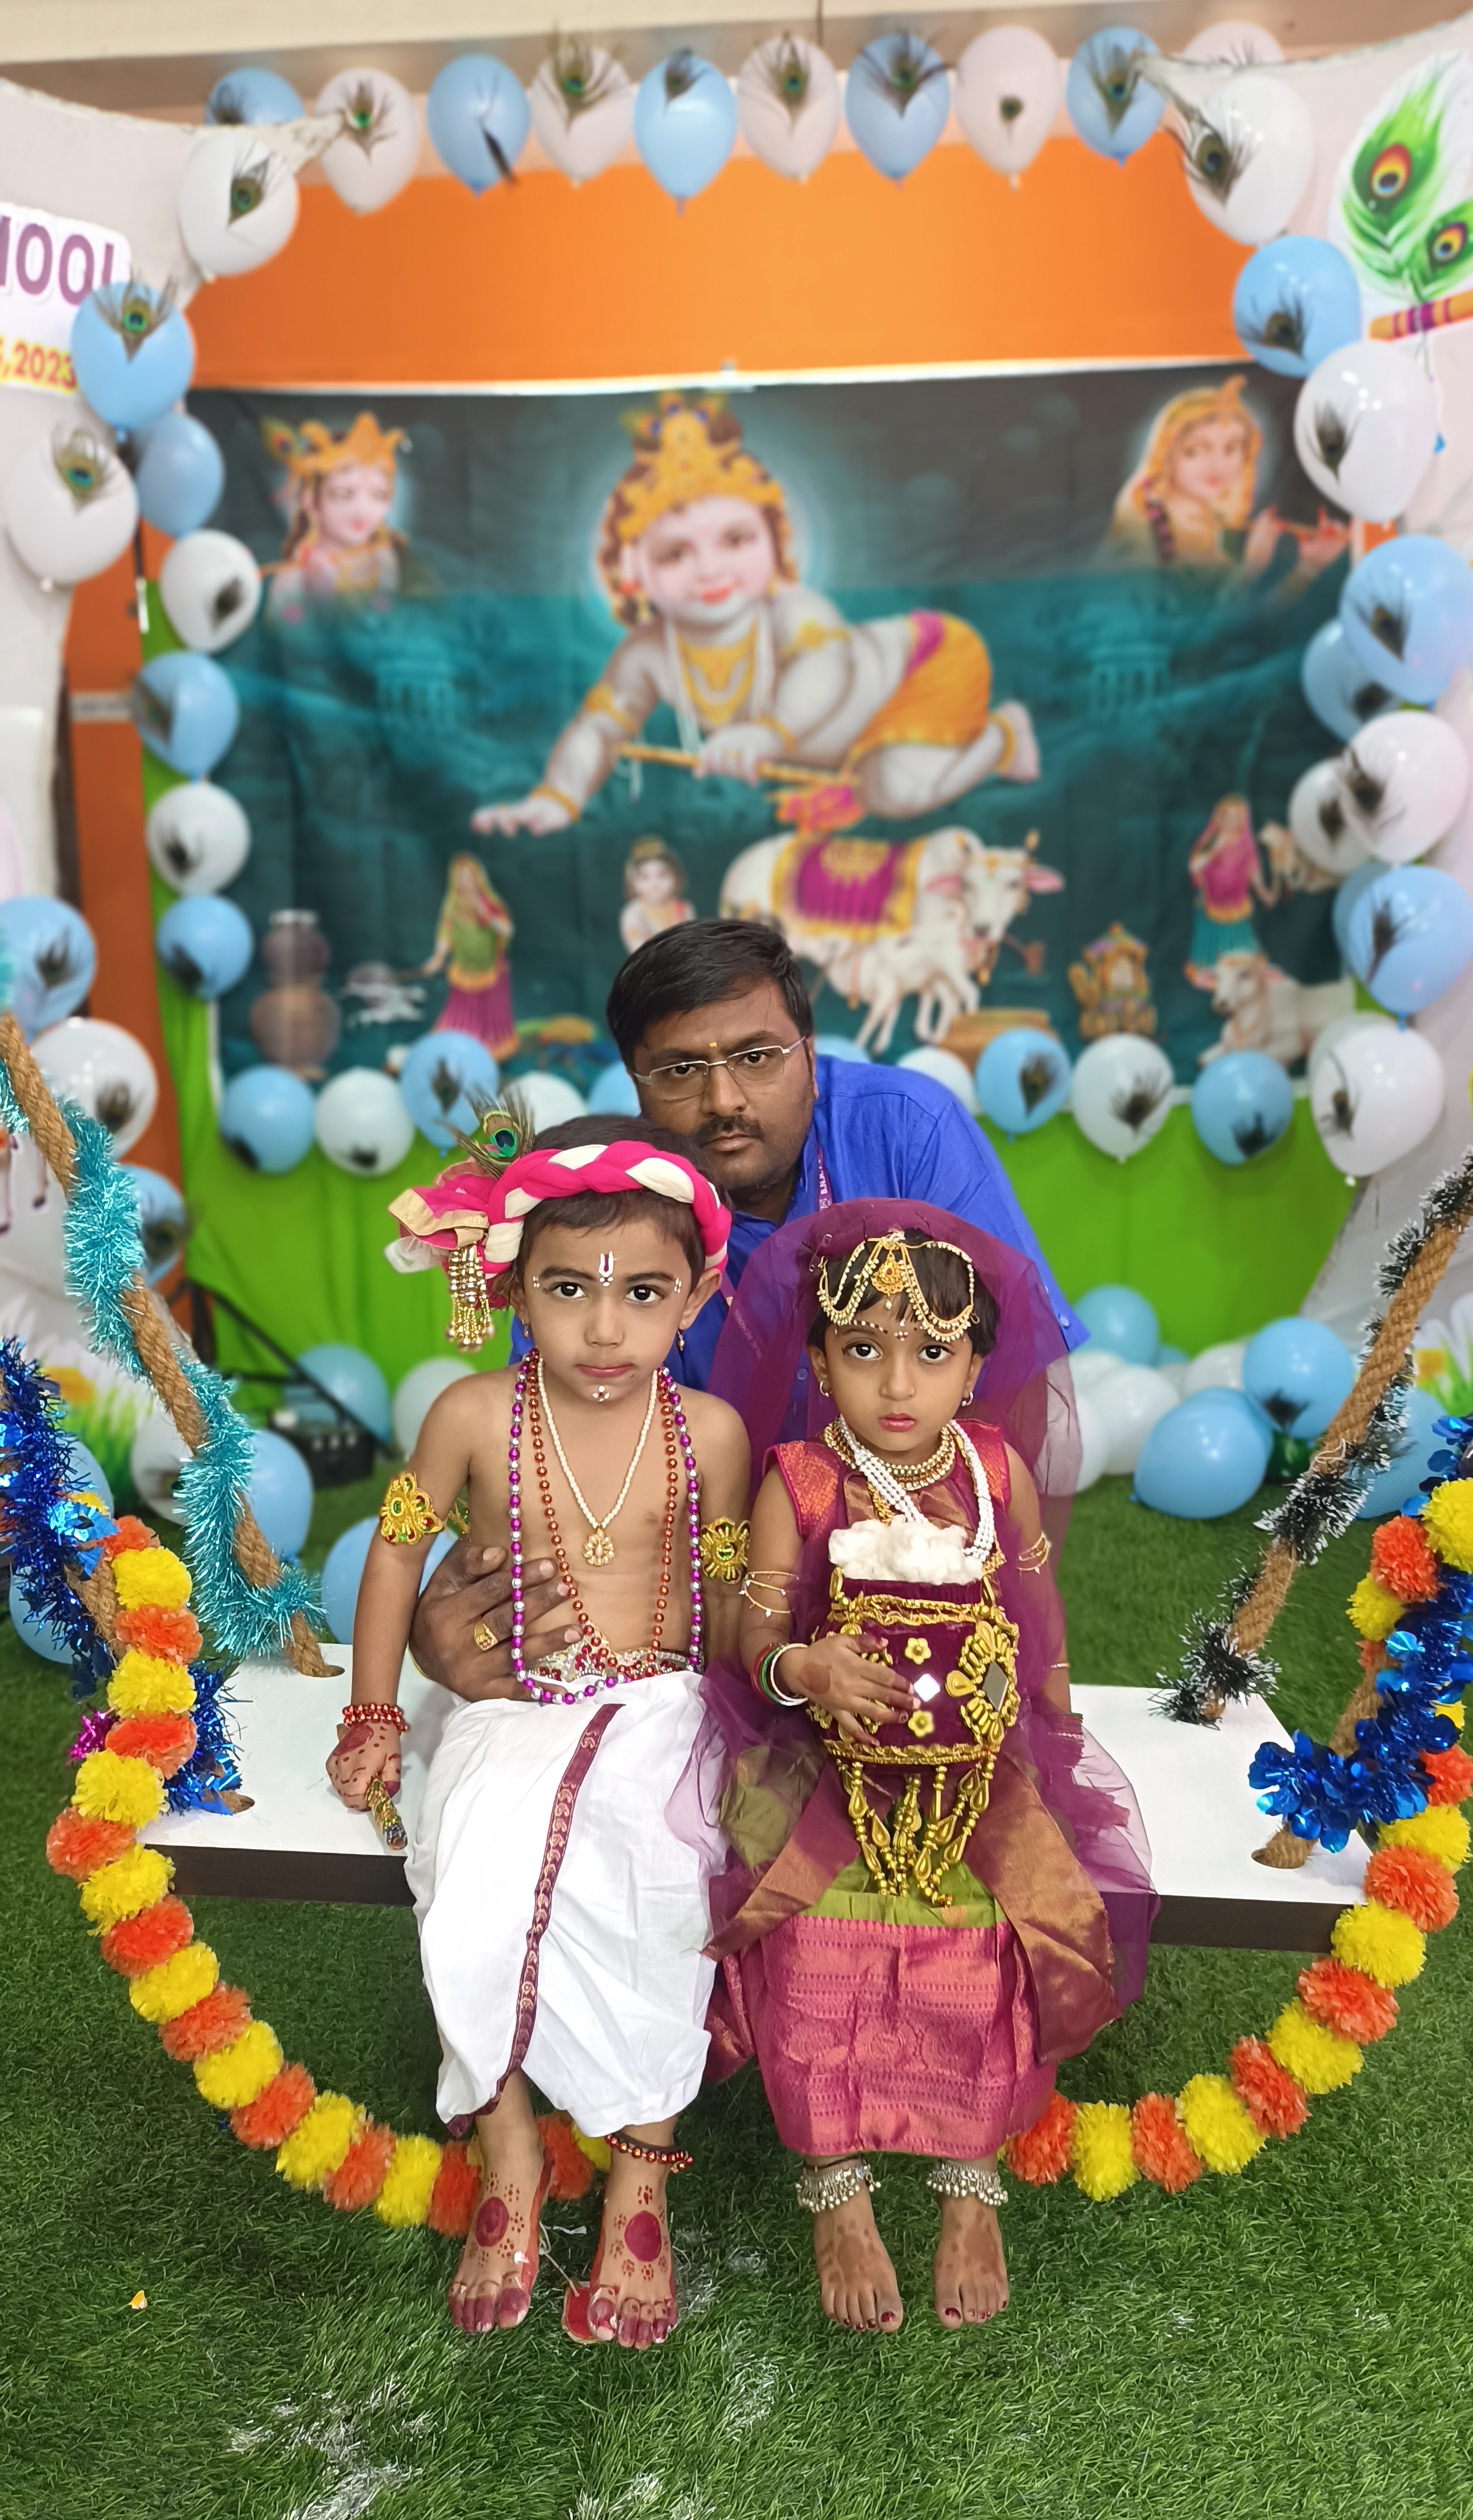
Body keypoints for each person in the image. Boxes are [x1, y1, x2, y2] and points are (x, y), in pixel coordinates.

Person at [684, 1207, 1155, 2335]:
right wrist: (805, 1667)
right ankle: (836, 2190)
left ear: (975, 1365)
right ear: (818, 1362)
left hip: (975, 1769)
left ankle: (968, 2181)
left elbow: (1036, 1617)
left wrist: (1049, 1742)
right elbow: (752, 1638)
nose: (897, 1384)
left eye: (932, 1353)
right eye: (863, 1349)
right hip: (820, 1761)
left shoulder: (994, 1472)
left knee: (997, 1943)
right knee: (812, 1947)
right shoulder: (801, 1480)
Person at [408, 919, 1083, 1703]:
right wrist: (459, 1628)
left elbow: (1004, 1374)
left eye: (758, 1057)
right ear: (636, 1084)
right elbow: (550, 1453)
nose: (724, 1100)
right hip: (707, 1601)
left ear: (810, 1054)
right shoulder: (603, 1209)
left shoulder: (906, 1131)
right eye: (680, 1070)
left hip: (902, 1550)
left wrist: (940, 1579)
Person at [330, 1121, 752, 2347]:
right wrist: (373, 1712)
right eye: (568, 1291)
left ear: (696, 1295)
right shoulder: (470, 1414)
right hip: (510, 1708)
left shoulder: (712, 1432)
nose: (604, 1330)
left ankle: (639, 2176)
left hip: (665, 1709)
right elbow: (395, 1553)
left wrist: (767, 1708)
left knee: (667, 1882)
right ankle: (509, 2147)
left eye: (642, 1294)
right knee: (465, 1873)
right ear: (513, 1286)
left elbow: (733, 1598)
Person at [470, 392, 1039, 841]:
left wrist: (770, 732)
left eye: (736, 539)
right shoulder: (646, 654)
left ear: (775, 539)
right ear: (631, 572)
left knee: (893, 793)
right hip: (854, 741)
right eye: (675, 554)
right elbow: (598, 730)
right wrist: (557, 797)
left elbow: (827, 667)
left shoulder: (793, 611)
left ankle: (1004, 736)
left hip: (925, 666)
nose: (710, 569)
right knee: (873, 786)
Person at [1103, 375, 1346, 584]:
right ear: (1165, 455)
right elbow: (1196, 621)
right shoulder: (1138, 539)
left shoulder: (1210, 532)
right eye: (1197, 450)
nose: (1218, 465)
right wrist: (1253, 567)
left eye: (1232, 449)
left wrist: (1309, 567)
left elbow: (1247, 616)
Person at [261, 411, 412, 619]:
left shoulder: (383, 561)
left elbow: (388, 623)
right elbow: (286, 631)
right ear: (311, 501)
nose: (362, 510)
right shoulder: (295, 572)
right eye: (343, 495)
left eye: (379, 496)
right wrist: (321, 598)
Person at [418, 852, 518, 1061]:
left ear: (478, 878)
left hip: (492, 968)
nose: (466, 883)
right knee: (462, 1010)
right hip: (465, 968)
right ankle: (461, 1045)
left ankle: (491, 1049)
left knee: (492, 1011)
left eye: (470, 877)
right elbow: (446, 934)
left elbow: (507, 931)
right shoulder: (452, 907)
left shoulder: (489, 903)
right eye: (461, 878)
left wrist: (485, 913)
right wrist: (438, 959)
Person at [1184, 794, 1278, 983]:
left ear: (1242, 821)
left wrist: (1263, 893)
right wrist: (1214, 849)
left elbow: (1253, 871)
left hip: (1236, 901)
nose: (1231, 821)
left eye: (1236, 817)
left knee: (1240, 936)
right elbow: (1194, 867)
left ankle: (1242, 968)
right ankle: (1209, 968)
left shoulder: (1246, 845)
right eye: (1227, 816)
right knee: (1210, 937)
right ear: (1219, 818)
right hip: (1211, 900)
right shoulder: (1211, 840)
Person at [619, 839, 696, 954]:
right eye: (645, 878)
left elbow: (691, 944)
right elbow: (638, 951)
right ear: (632, 884)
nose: (655, 884)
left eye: (662, 875)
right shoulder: (633, 913)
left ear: (676, 877)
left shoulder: (684, 908)